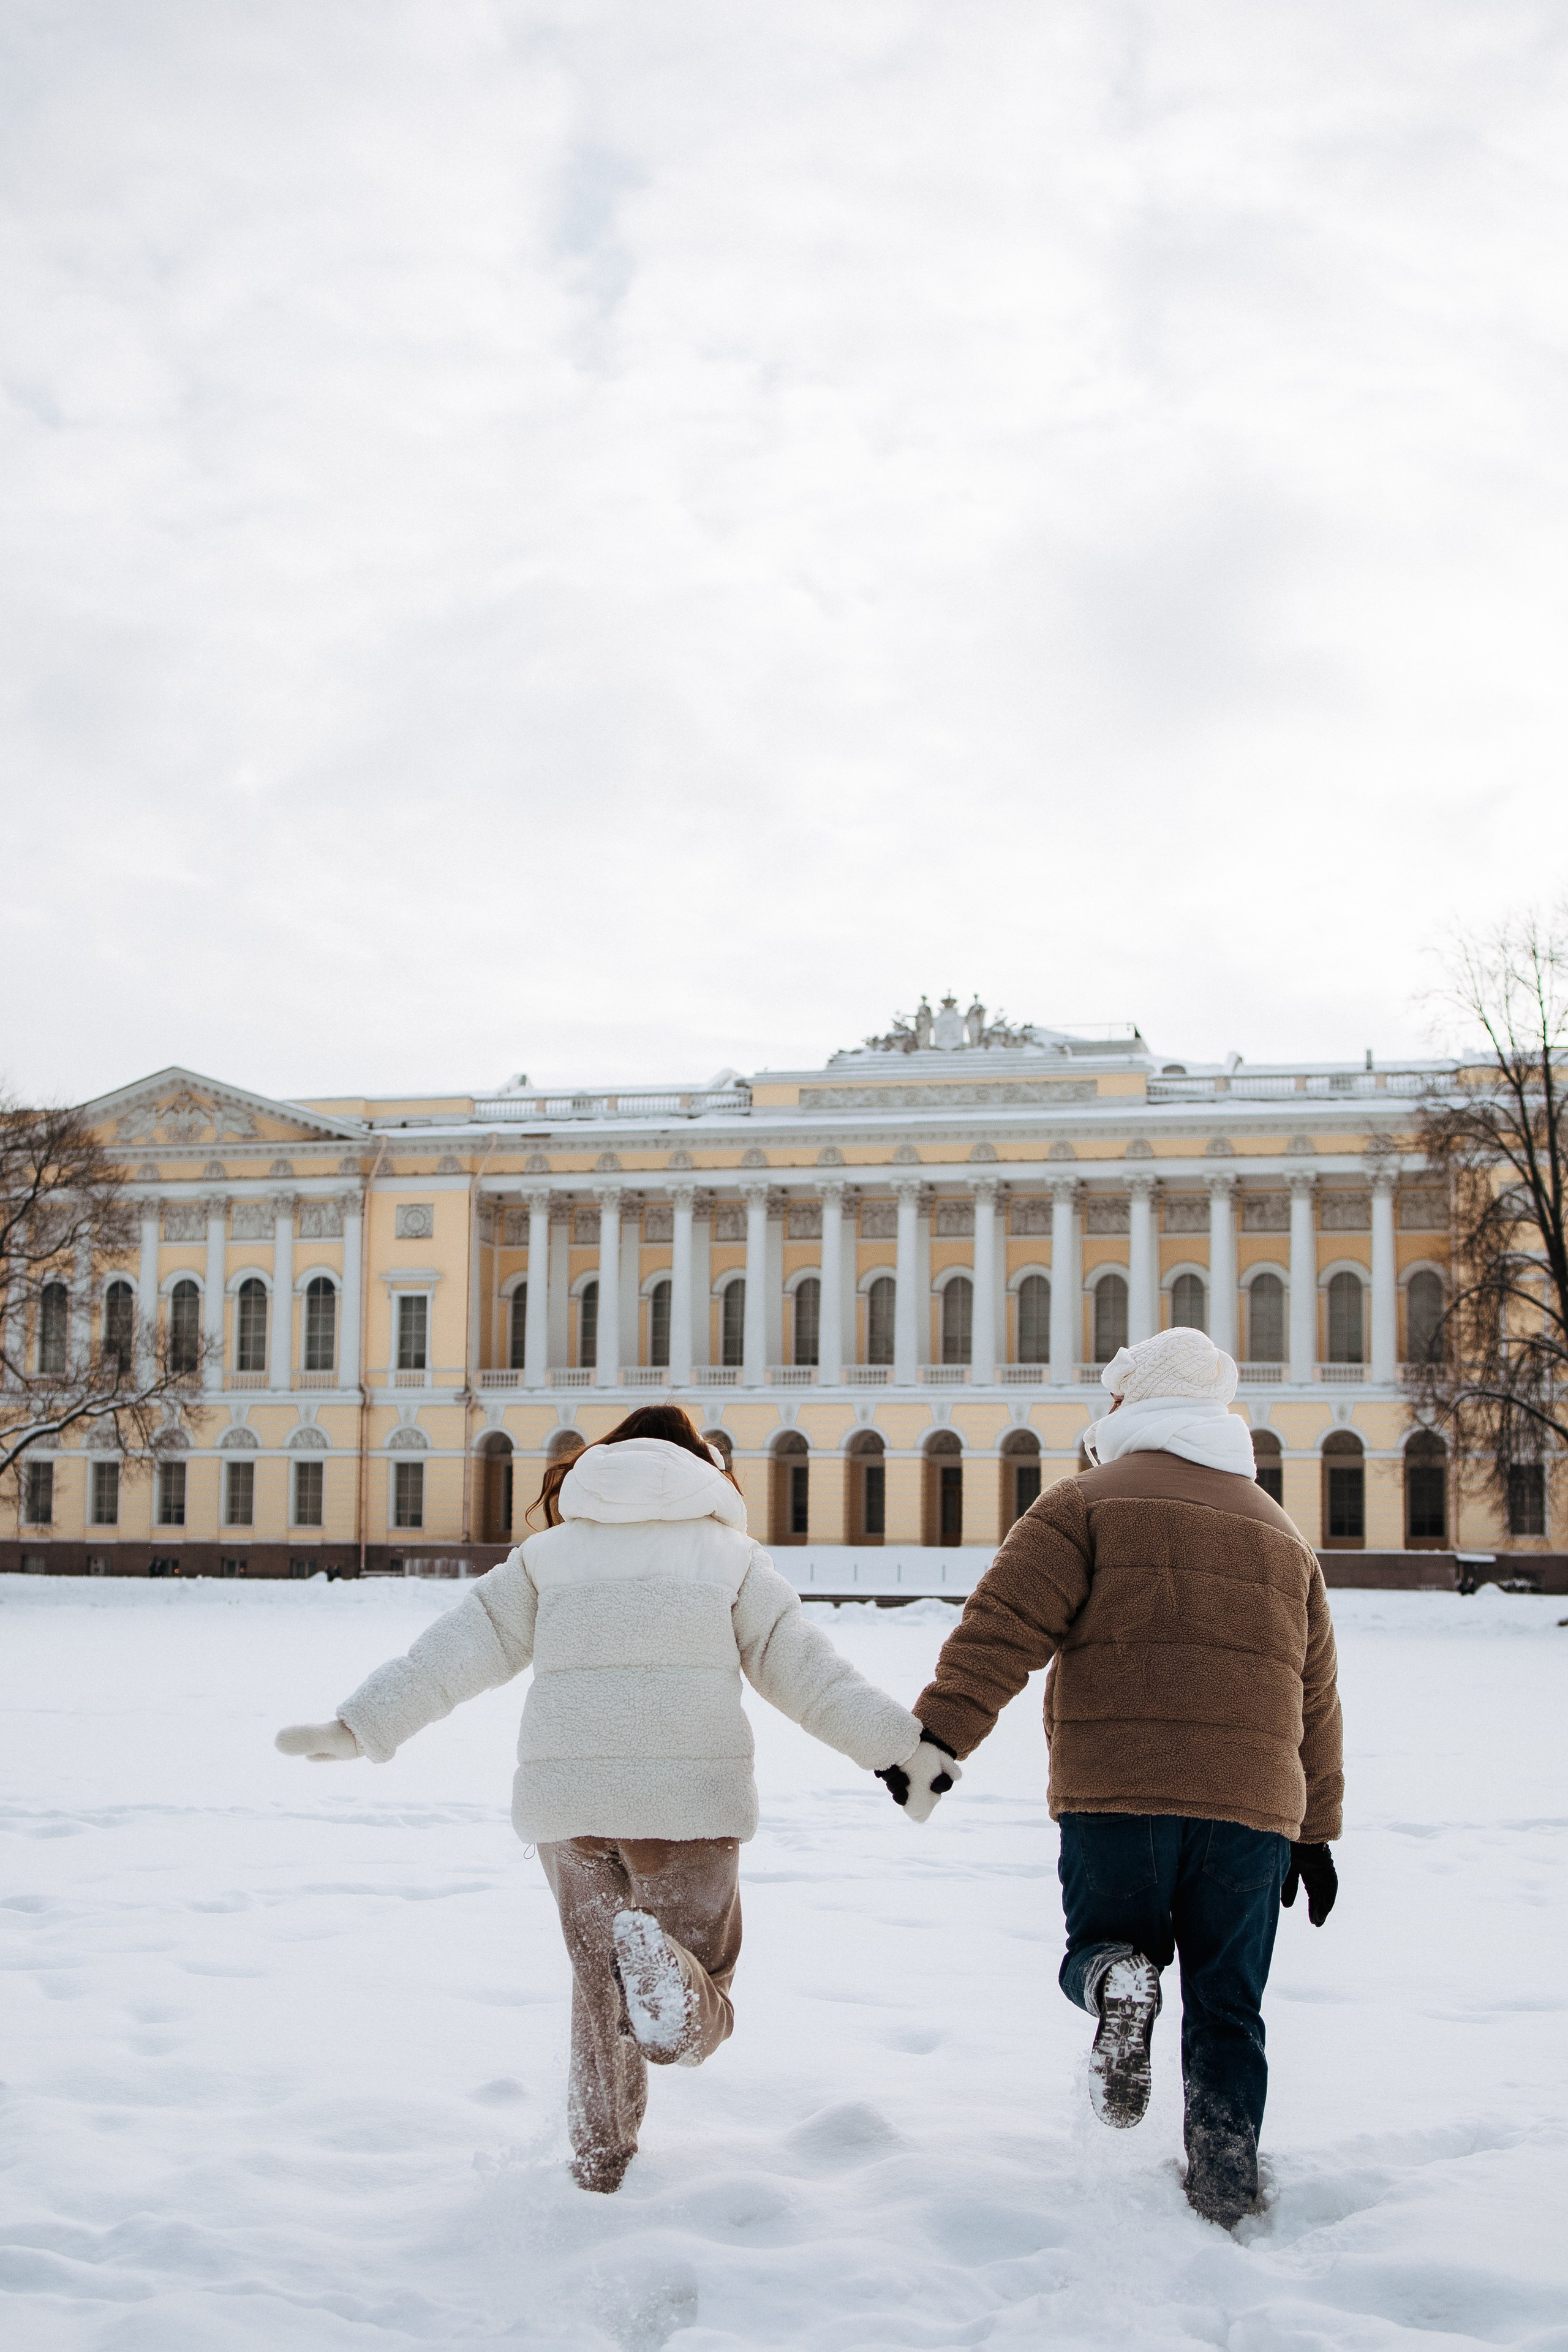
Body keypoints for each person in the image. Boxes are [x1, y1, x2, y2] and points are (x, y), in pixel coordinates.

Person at [274, 1404, 954, 2194]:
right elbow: (808, 1672)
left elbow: (454, 1651)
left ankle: (600, 2163)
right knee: (700, 1980)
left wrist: (361, 1725)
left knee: (600, 1995)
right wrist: (900, 1751)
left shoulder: (548, 1558)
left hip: (570, 1808)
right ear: (704, 1468)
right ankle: (669, 1983)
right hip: (687, 1806)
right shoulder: (730, 1560)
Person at [895, 1328, 1343, 2228]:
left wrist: (935, 1740)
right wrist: (1316, 1832)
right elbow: (1317, 1696)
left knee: (1101, 1945)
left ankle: (1114, 1981)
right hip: (1253, 1808)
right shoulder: (1282, 1534)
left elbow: (1002, 1628)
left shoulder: (1083, 1504)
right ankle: (1224, 2185)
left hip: (1117, 1793)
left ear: (1132, 1403)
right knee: (1229, 2007)